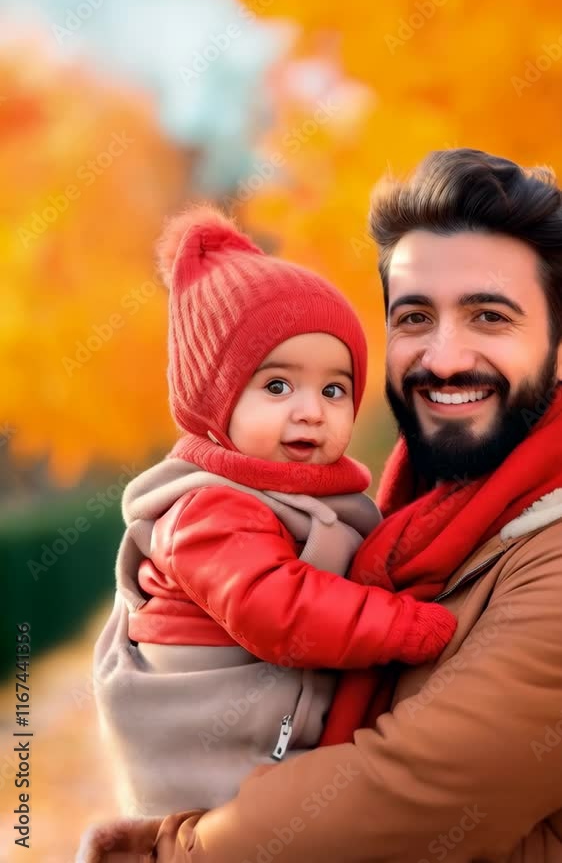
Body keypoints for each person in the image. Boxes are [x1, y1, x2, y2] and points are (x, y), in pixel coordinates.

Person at [78, 148, 562, 863]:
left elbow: (407, 793)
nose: (445, 357)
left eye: (490, 316)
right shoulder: (397, 517)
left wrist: (171, 850)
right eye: (415, 317)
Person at [84, 205, 455, 827]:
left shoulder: (314, 499)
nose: (311, 411)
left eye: (334, 389)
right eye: (277, 386)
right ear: (215, 402)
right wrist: (410, 626)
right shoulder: (209, 507)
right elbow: (278, 608)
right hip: (205, 758)